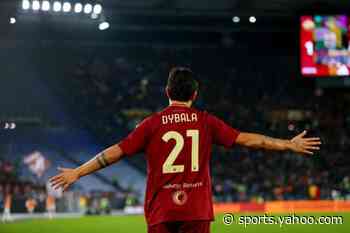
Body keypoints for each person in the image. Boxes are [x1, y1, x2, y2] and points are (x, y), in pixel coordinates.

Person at [50, 67, 321, 233]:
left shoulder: (152, 124)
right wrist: (288, 144)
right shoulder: (206, 122)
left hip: (161, 212)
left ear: (167, 91)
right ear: (194, 94)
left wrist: (78, 172)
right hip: (196, 211)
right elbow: (250, 140)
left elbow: (115, 152)